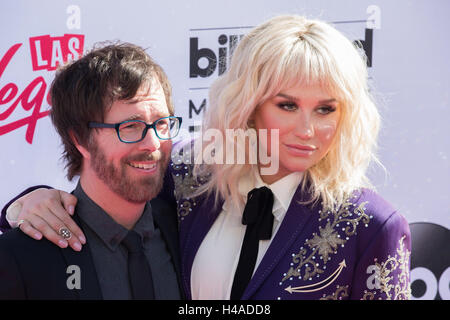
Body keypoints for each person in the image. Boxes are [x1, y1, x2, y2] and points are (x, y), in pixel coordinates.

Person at [1, 15, 411, 300]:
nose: (307, 130)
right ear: (250, 105)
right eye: (287, 105)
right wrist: (28, 200)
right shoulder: (190, 175)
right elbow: (114, 179)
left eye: (326, 109)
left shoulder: (372, 226)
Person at [0, 42, 183, 299]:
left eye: (162, 123)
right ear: (81, 139)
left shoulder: (186, 230)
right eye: (130, 126)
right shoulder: (20, 257)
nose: (153, 143)